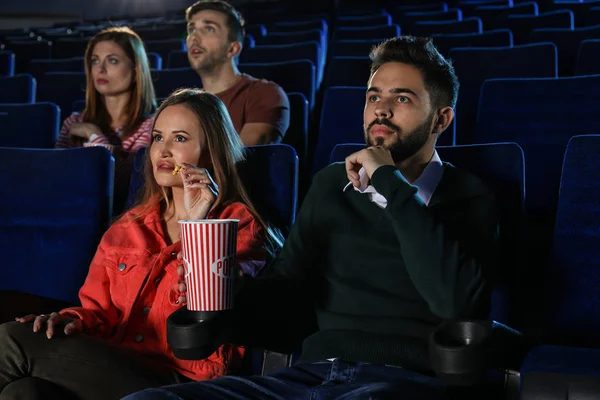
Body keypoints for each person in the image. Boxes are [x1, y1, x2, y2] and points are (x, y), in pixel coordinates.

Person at [124, 36, 500, 400]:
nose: (381, 109)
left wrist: (389, 181)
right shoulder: (331, 186)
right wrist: (231, 290)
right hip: (311, 375)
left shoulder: (469, 194)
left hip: (403, 381)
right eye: (373, 97)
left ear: (441, 119)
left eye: (402, 98)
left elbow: (456, 303)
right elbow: (289, 289)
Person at [0, 89, 282, 400]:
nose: (163, 150)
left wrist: (198, 222)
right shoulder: (128, 226)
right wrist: (70, 320)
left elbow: (206, 320)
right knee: (23, 392)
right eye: (159, 137)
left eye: (180, 139)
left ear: (212, 151)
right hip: (115, 366)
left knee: (11, 340)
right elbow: (99, 311)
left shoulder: (240, 226)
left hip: (186, 384)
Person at [55, 26, 157, 214]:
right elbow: (55, 176)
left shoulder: (152, 126)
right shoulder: (73, 121)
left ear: (135, 70)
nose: (100, 69)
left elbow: (122, 183)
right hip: (70, 213)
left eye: (112, 60)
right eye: (95, 61)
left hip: (122, 219)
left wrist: (93, 135)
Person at [185, 0, 290, 145]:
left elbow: (242, 160)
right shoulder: (186, 105)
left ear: (232, 49)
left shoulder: (265, 93)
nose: (194, 38)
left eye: (209, 29)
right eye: (192, 30)